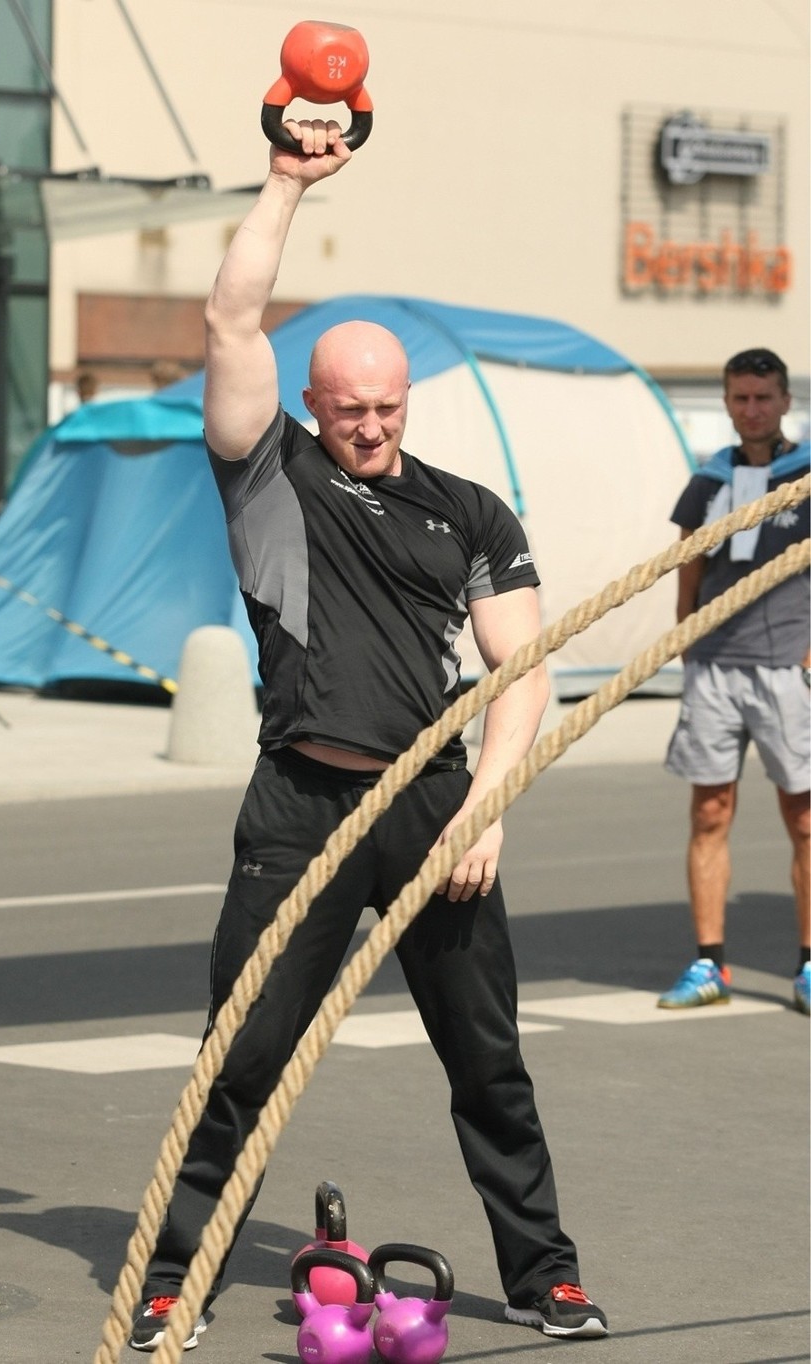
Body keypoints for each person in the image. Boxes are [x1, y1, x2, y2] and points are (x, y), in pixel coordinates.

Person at [129, 117, 608, 1352]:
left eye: (389, 408)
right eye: (350, 409)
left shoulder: (468, 511)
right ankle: (174, 1273)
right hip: (298, 805)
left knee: (488, 1059)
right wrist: (287, 182)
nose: (372, 428)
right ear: (312, 403)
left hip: (430, 807)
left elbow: (524, 669)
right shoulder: (269, 474)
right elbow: (231, 324)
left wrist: (487, 801)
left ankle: (546, 1270)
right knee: (241, 1059)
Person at [658, 348, 810, 1015]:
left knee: (804, 820)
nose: (752, 409)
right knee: (709, 812)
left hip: (787, 666)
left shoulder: (806, 477)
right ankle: (709, 963)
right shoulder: (710, 480)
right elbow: (687, 566)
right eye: (741, 398)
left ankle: (808, 965)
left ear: (784, 402)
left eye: (764, 397)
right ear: (726, 403)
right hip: (717, 665)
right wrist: (687, 637)